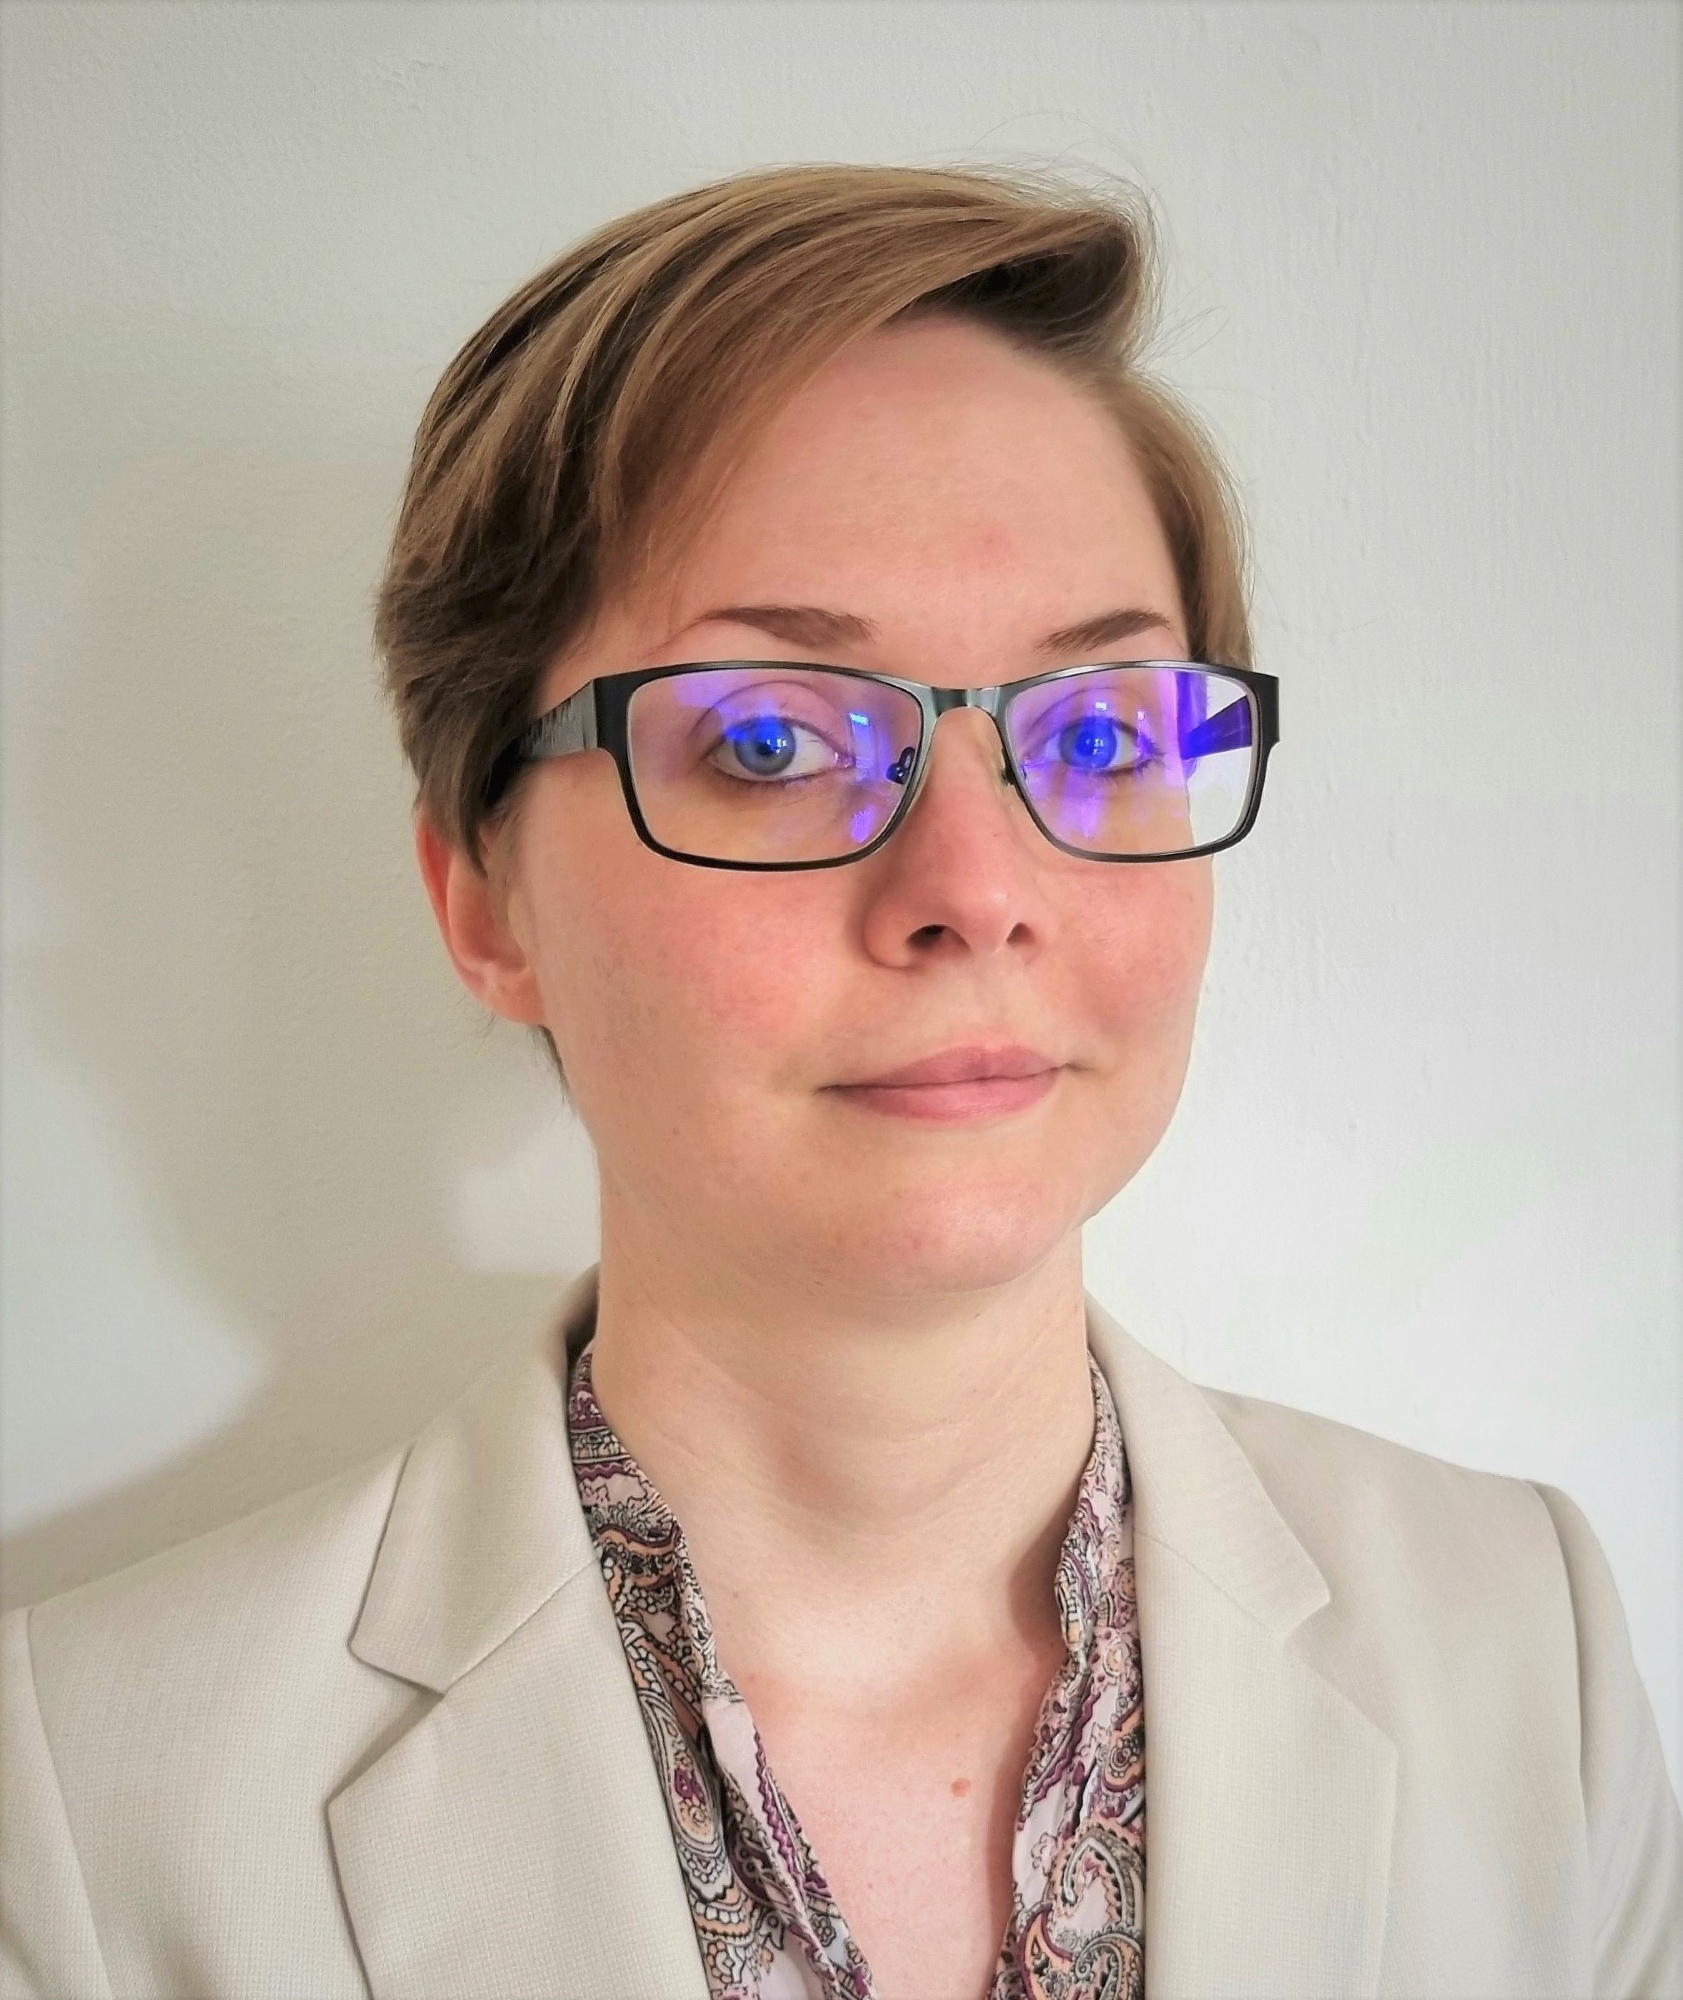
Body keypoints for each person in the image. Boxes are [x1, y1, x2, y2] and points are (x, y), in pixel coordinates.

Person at [2, 162, 1679, 2000]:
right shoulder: (91, 1802)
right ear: (485, 898)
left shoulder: (1528, 1650)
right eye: (768, 740)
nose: (975, 890)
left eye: (1100, 729)